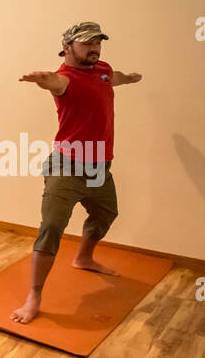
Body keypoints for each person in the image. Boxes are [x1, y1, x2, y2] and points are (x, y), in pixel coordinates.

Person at [12, 22, 142, 324]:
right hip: (66, 166)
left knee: (107, 214)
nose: (94, 48)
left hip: (100, 165)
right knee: (53, 226)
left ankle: (84, 257)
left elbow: (115, 78)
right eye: (87, 43)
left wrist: (132, 77)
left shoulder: (103, 70)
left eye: (98, 43)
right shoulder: (66, 79)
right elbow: (53, 81)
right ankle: (34, 295)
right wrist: (42, 78)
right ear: (68, 47)